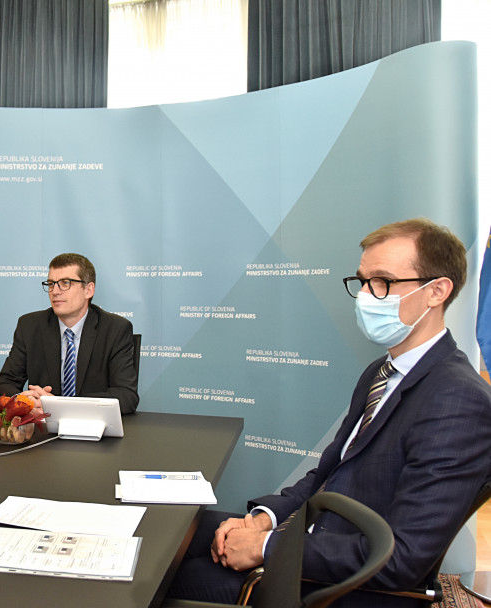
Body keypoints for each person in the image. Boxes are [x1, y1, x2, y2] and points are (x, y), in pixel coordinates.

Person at [166, 219, 491, 607]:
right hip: (312, 536)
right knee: (174, 531)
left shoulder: (458, 401)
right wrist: (262, 519)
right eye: (362, 281)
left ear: (437, 291)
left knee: (169, 575)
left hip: (348, 584)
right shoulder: (380, 372)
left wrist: (266, 547)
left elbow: (402, 557)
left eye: (383, 282)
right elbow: (327, 474)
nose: (366, 296)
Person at [0, 253, 139, 414]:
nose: (55, 291)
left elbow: (126, 396)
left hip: (93, 430)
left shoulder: (115, 329)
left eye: (65, 283)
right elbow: (1, 384)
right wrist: (26, 402)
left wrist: (59, 405)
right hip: (43, 431)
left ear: (88, 290)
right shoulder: (30, 326)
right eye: (51, 283)